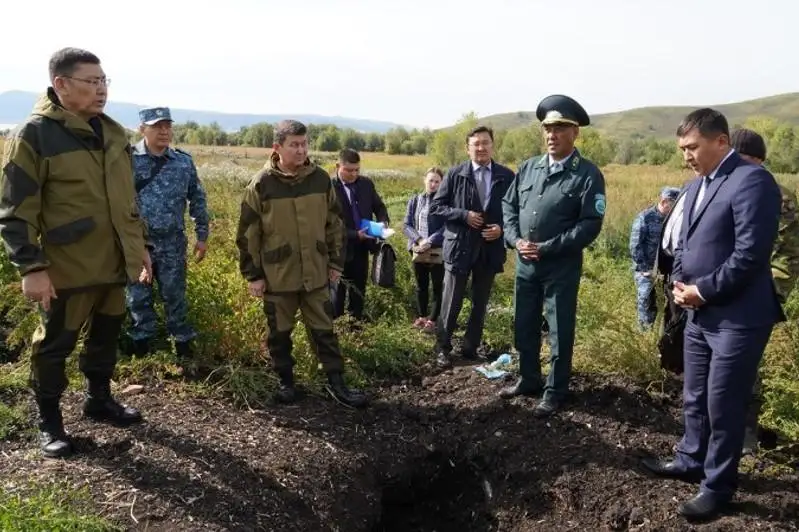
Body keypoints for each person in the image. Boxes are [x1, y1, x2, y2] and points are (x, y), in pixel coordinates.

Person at [0, 47, 152, 458]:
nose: (101, 89)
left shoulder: (115, 133)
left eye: (104, 81)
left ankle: (98, 400)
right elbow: (16, 211)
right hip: (67, 266)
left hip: (114, 261)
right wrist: (31, 267)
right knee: (53, 346)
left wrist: (141, 249)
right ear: (61, 84)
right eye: (92, 81)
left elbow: (127, 201)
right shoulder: (34, 135)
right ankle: (48, 420)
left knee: (106, 336)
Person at [641, 109, 783, 520]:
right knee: (694, 394)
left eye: (692, 147)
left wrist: (704, 290)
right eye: (682, 148)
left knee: (724, 402)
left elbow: (750, 255)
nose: (686, 155)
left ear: (720, 141)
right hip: (699, 312)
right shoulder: (698, 183)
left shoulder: (752, 180)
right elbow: (687, 244)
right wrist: (682, 286)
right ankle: (689, 459)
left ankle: (718, 486)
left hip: (737, 317)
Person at [235, 120, 367, 408]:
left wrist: (336, 263)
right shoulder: (261, 185)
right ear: (277, 147)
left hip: (317, 273)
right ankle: (286, 383)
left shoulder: (320, 179)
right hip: (277, 276)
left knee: (324, 331)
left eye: (304, 143)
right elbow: (247, 235)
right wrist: (253, 275)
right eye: (294, 144)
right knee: (279, 334)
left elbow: (334, 223)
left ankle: (336, 384)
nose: (301, 149)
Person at [500, 94, 606, 417]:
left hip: (560, 266)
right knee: (524, 324)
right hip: (525, 264)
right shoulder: (529, 168)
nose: (551, 135)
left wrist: (549, 247)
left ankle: (556, 390)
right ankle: (529, 378)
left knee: (559, 329)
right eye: (547, 128)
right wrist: (515, 239)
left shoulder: (587, 174)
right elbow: (508, 206)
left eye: (560, 128)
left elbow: (590, 224)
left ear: (575, 133)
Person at [730, 128, 799, 455]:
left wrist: (769, 291)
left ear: (756, 159)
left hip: (756, 295)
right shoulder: (723, 187)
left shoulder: (780, 196)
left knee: (748, 364)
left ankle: (746, 433)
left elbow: (789, 253)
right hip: (719, 292)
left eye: (739, 158)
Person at [127, 107, 209, 370]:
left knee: (175, 295)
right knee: (138, 297)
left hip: (173, 242)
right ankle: (142, 348)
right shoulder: (127, 160)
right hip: (137, 243)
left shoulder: (182, 162)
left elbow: (197, 198)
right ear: (142, 129)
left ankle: (182, 345)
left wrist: (202, 234)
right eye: (156, 126)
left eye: (167, 126)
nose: (164, 131)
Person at [430, 126, 514, 368]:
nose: (481, 148)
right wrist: (463, 215)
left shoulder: (507, 176)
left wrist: (501, 229)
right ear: (467, 149)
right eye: (476, 144)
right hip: (459, 248)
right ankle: (442, 349)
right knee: (451, 301)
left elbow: (516, 213)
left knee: (480, 301)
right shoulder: (456, 174)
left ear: (492, 145)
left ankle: (470, 347)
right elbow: (437, 207)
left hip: (490, 249)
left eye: (485, 143)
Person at [331, 148, 389, 321]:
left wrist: (383, 222)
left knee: (358, 292)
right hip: (338, 251)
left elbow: (379, 207)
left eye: (357, 170)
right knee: (337, 295)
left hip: (362, 248)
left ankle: (356, 328)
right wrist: (354, 234)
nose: (354, 174)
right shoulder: (328, 188)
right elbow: (327, 224)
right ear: (337, 166)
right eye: (349, 170)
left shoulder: (366, 184)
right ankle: (338, 331)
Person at [629, 187, 680, 330]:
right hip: (646, 271)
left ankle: (665, 336)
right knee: (646, 304)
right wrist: (647, 270)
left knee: (670, 304)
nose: (675, 210)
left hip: (667, 270)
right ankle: (644, 336)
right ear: (664, 202)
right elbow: (635, 246)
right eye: (673, 205)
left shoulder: (674, 221)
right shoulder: (645, 218)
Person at [403, 167, 446, 334]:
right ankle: (421, 316)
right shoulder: (415, 200)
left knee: (437, 286)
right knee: (421, 285)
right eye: (431, 180)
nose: (433, 184)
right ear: (425, 180)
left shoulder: (444, 202)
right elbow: (406, 224)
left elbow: (447, 226)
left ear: (441, 184)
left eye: (437, 181)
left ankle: (433, 320)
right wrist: (420, 240)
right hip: (418, 249)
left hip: (437, 250)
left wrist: (430, 240)